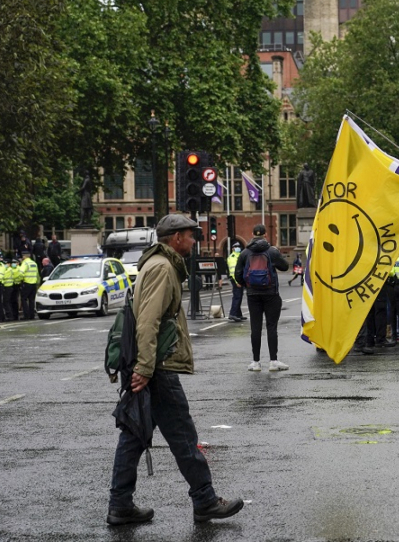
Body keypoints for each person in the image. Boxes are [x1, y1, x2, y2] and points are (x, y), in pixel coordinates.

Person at [107, 214, 245, 526]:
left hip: (151, 364)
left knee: (133, 435)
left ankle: (120, 504)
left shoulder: (157, 264)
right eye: (190, 235)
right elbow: (148, 320)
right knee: (182, 434)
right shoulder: (162, 267)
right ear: (175, 238)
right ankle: (205, 500)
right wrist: (144, 367)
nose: (194, 241)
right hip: (157, 366)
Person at [235, 224, 289, 372]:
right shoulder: (271, 251)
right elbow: (285, 267)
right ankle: (273, 361)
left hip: (253, 295)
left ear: (252, 234)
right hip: (271, 293)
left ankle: (256, 362)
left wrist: (247, 285)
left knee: (255, 327)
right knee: (271, 326)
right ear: (265, 235)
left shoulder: (245, 253)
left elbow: (237, 275)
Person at [226, 243, 245, 322]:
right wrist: (237, 281)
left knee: (239, 296)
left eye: (238, 247)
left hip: (240, 279)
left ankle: (238, 314)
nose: (238, 248)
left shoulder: (239, 255)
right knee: (237, 296)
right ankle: (233, 314)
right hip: (236, 279)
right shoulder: (232, 257)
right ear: (232, 249)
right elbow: (233, 270)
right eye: (236, 247)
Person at [19, 250, 39, 320]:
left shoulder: (25, 263)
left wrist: (21, 280)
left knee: (24, 299)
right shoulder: (34, 263)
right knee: (31, 300)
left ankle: (26, 315)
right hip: (34, 284)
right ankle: (32, 315)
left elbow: (21, 273)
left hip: (27, 283)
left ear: (24, 256)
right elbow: (37, 274)